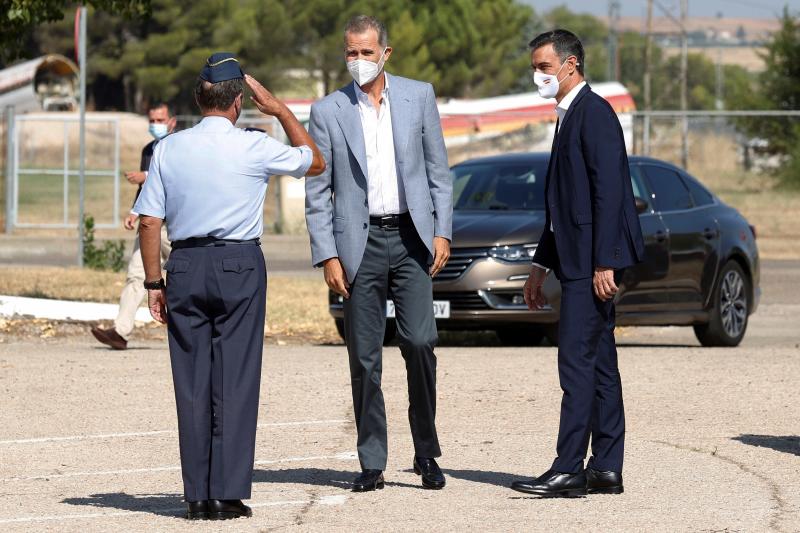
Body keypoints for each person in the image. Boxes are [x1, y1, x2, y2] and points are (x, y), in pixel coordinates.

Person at [133, 53, 325, 520]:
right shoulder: (254, 145)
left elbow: (150, 221)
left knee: (191, 382)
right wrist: (279, 109)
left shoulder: (168, 149)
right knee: (235, 379)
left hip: (186, 263)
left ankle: (197, 496)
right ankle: (227, 492)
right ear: (238, 101)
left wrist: (154, 281)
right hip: (238, 263)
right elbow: (315, 162)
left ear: (199, 99)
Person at [305, 15, 452, 492]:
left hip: (411, 238)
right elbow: (317, 191)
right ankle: (372, 460)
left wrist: (443, 232)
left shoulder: (419, 96)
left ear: (385, 53)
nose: (358, 60)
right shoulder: (327, 110)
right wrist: (327, 254)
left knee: (421, 342)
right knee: (364, 358)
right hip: (358, 244)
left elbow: (439, 172)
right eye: (351, 52)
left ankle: (426, 452)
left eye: (366, 52)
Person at [510, 29, 645, 498]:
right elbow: (564, 205)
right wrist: (540, 265)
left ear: (571, 65)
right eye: (535, 68)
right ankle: (605, 467)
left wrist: (605, 262)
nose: (537, 76)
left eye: (544, 67)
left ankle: (568, 467)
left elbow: (610, 194)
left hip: (593, 263)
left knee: (576, 361)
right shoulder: (568, 115)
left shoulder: (595, 113)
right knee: (600, 361)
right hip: (575, 258)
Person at [90, 104, 175, 350]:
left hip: (173, 225)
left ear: (172, 121)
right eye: (152, 120)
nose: (156, 124)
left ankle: (194, 327)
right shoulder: (148, 149)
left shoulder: (177, 146)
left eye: (160, 120)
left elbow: (171, 176)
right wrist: (135, 212)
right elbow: (147, 189)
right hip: (149, 224)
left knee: (186, 274)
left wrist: (145, 176)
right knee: (137, 275)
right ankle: (121, 331)